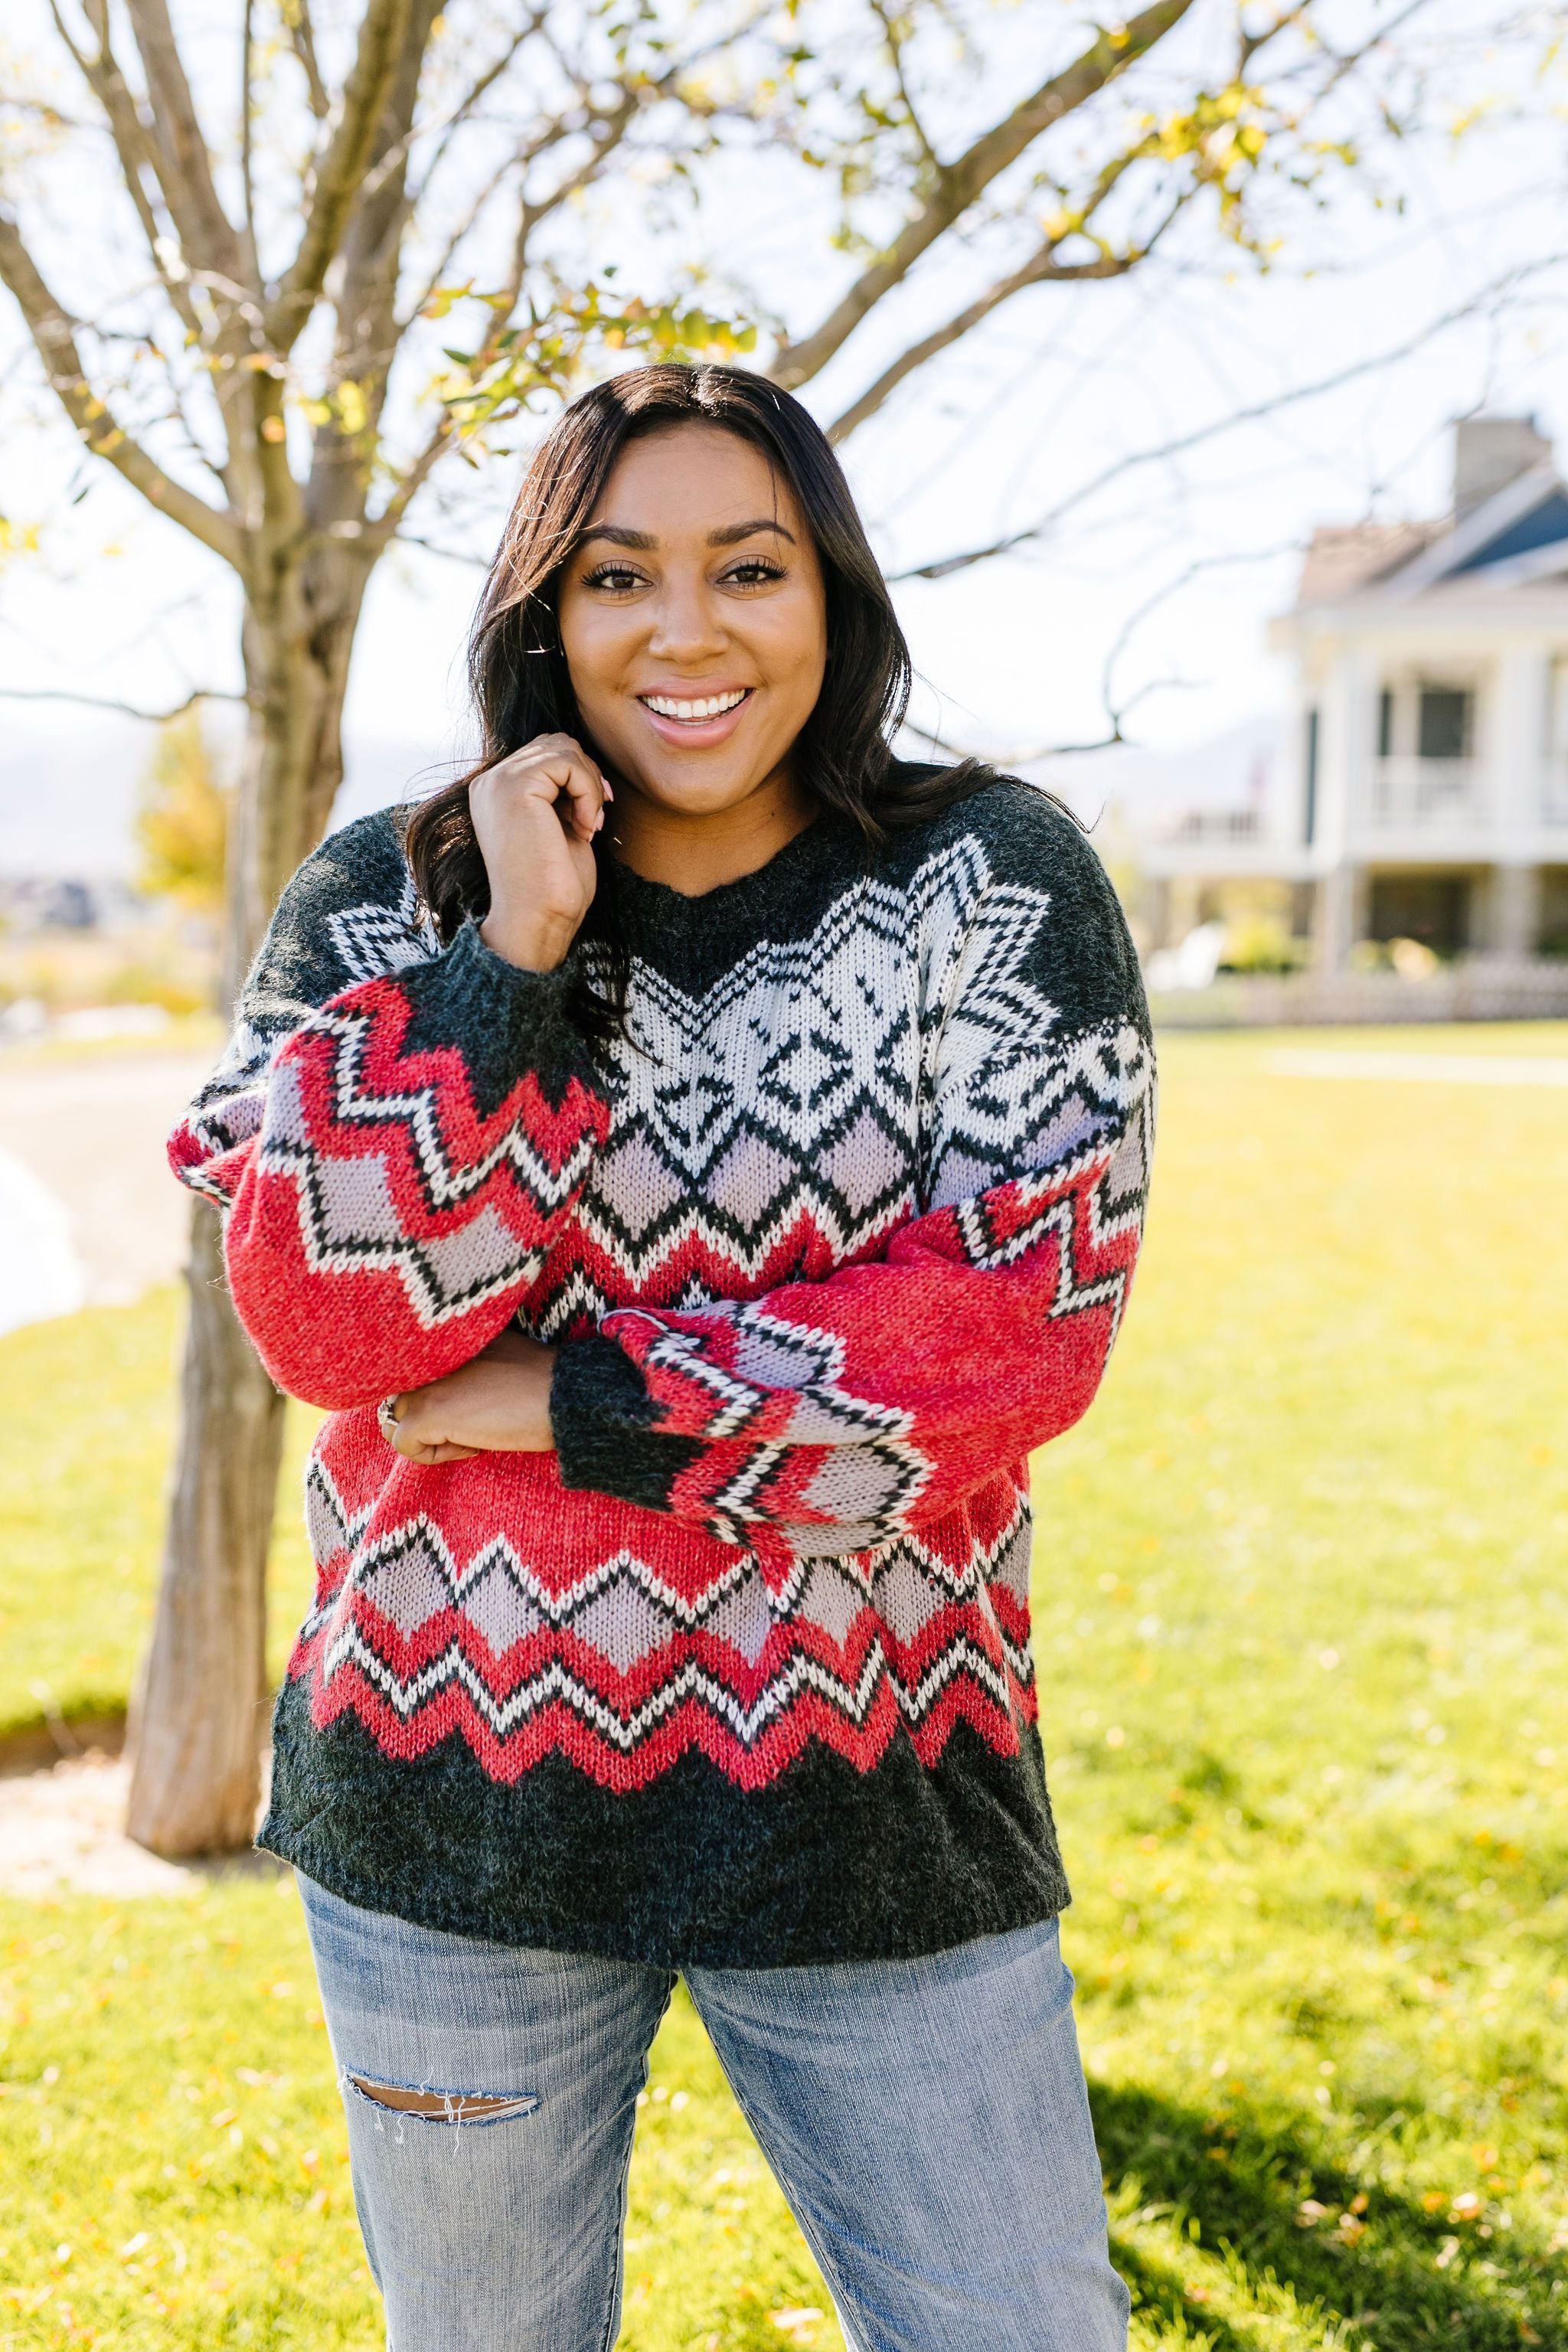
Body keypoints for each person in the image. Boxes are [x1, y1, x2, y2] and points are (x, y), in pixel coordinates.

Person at [169, 361, 1154, 2352]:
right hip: (456, 1815)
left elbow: (1008, 1345)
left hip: (881, 1799)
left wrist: (563, 1399)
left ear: (833, 598)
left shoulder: (994, 880)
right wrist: (507, 963)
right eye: (619, 575)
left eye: (749, 568)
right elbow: (326, 1324)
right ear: (548, 611)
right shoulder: (389, 895)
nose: (686, 632)